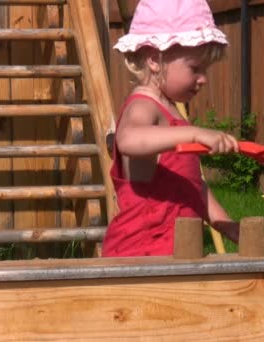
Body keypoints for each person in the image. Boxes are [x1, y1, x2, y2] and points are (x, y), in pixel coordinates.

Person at [102, 0, 240, 257]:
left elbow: (192, 186)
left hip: (173, 252)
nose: (203, 79)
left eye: (205, 70)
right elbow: (128, 139)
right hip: (139, 253)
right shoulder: (144, 104)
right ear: (155, 60)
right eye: (195, 69)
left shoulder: (171, 111)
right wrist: (195, 133)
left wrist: (227, 226)